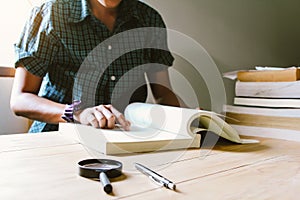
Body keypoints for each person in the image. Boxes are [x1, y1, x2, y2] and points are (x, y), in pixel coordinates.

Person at [11, 0, 182, 133]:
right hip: (56, 137)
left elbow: (163, 93)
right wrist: (77, 113)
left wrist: (187, 119)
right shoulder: (51, 14)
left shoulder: (149, 19)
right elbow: (20, 99)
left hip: (124, 139)